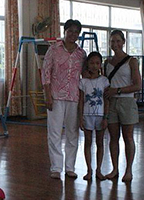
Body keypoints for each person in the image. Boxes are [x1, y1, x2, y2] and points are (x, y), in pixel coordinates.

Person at [42, 19, 86, 179]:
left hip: (74, 97)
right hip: (56, 96)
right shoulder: (54, 49)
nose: (73, 34)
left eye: (76, 32)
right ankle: (56, 167)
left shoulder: (81, 54)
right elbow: (46, 74)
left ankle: (70, 167)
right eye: (70, 31)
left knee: (73, 133)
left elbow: (85, 76)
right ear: (65, 31)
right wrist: (47, 95)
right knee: (54, 132)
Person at [104, 30, 141, 182]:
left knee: (128, 137)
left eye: (118, 41)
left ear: (123, 42)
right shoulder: (107, 62)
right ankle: (114, 169)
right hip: (111, 103)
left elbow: (137, 85)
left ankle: (129, 170)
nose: (115, 44)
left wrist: (117, 90)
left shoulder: (131, 61)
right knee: (113, 137)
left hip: (126, 102)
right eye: (112, 41)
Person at [79, 52, 110, 181]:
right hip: (87, 115)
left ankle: (98, 170)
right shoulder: (83, 82)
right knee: (88, 142)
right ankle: (89, 170)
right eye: (91, 63)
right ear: (87, 64)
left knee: (100, 143)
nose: (94, 66)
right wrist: (80, 117)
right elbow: (81, 101)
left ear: (100, 65)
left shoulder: (104, 81)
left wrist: (105, 117)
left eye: (97, 63)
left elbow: (106, 99)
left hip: (100, 115)